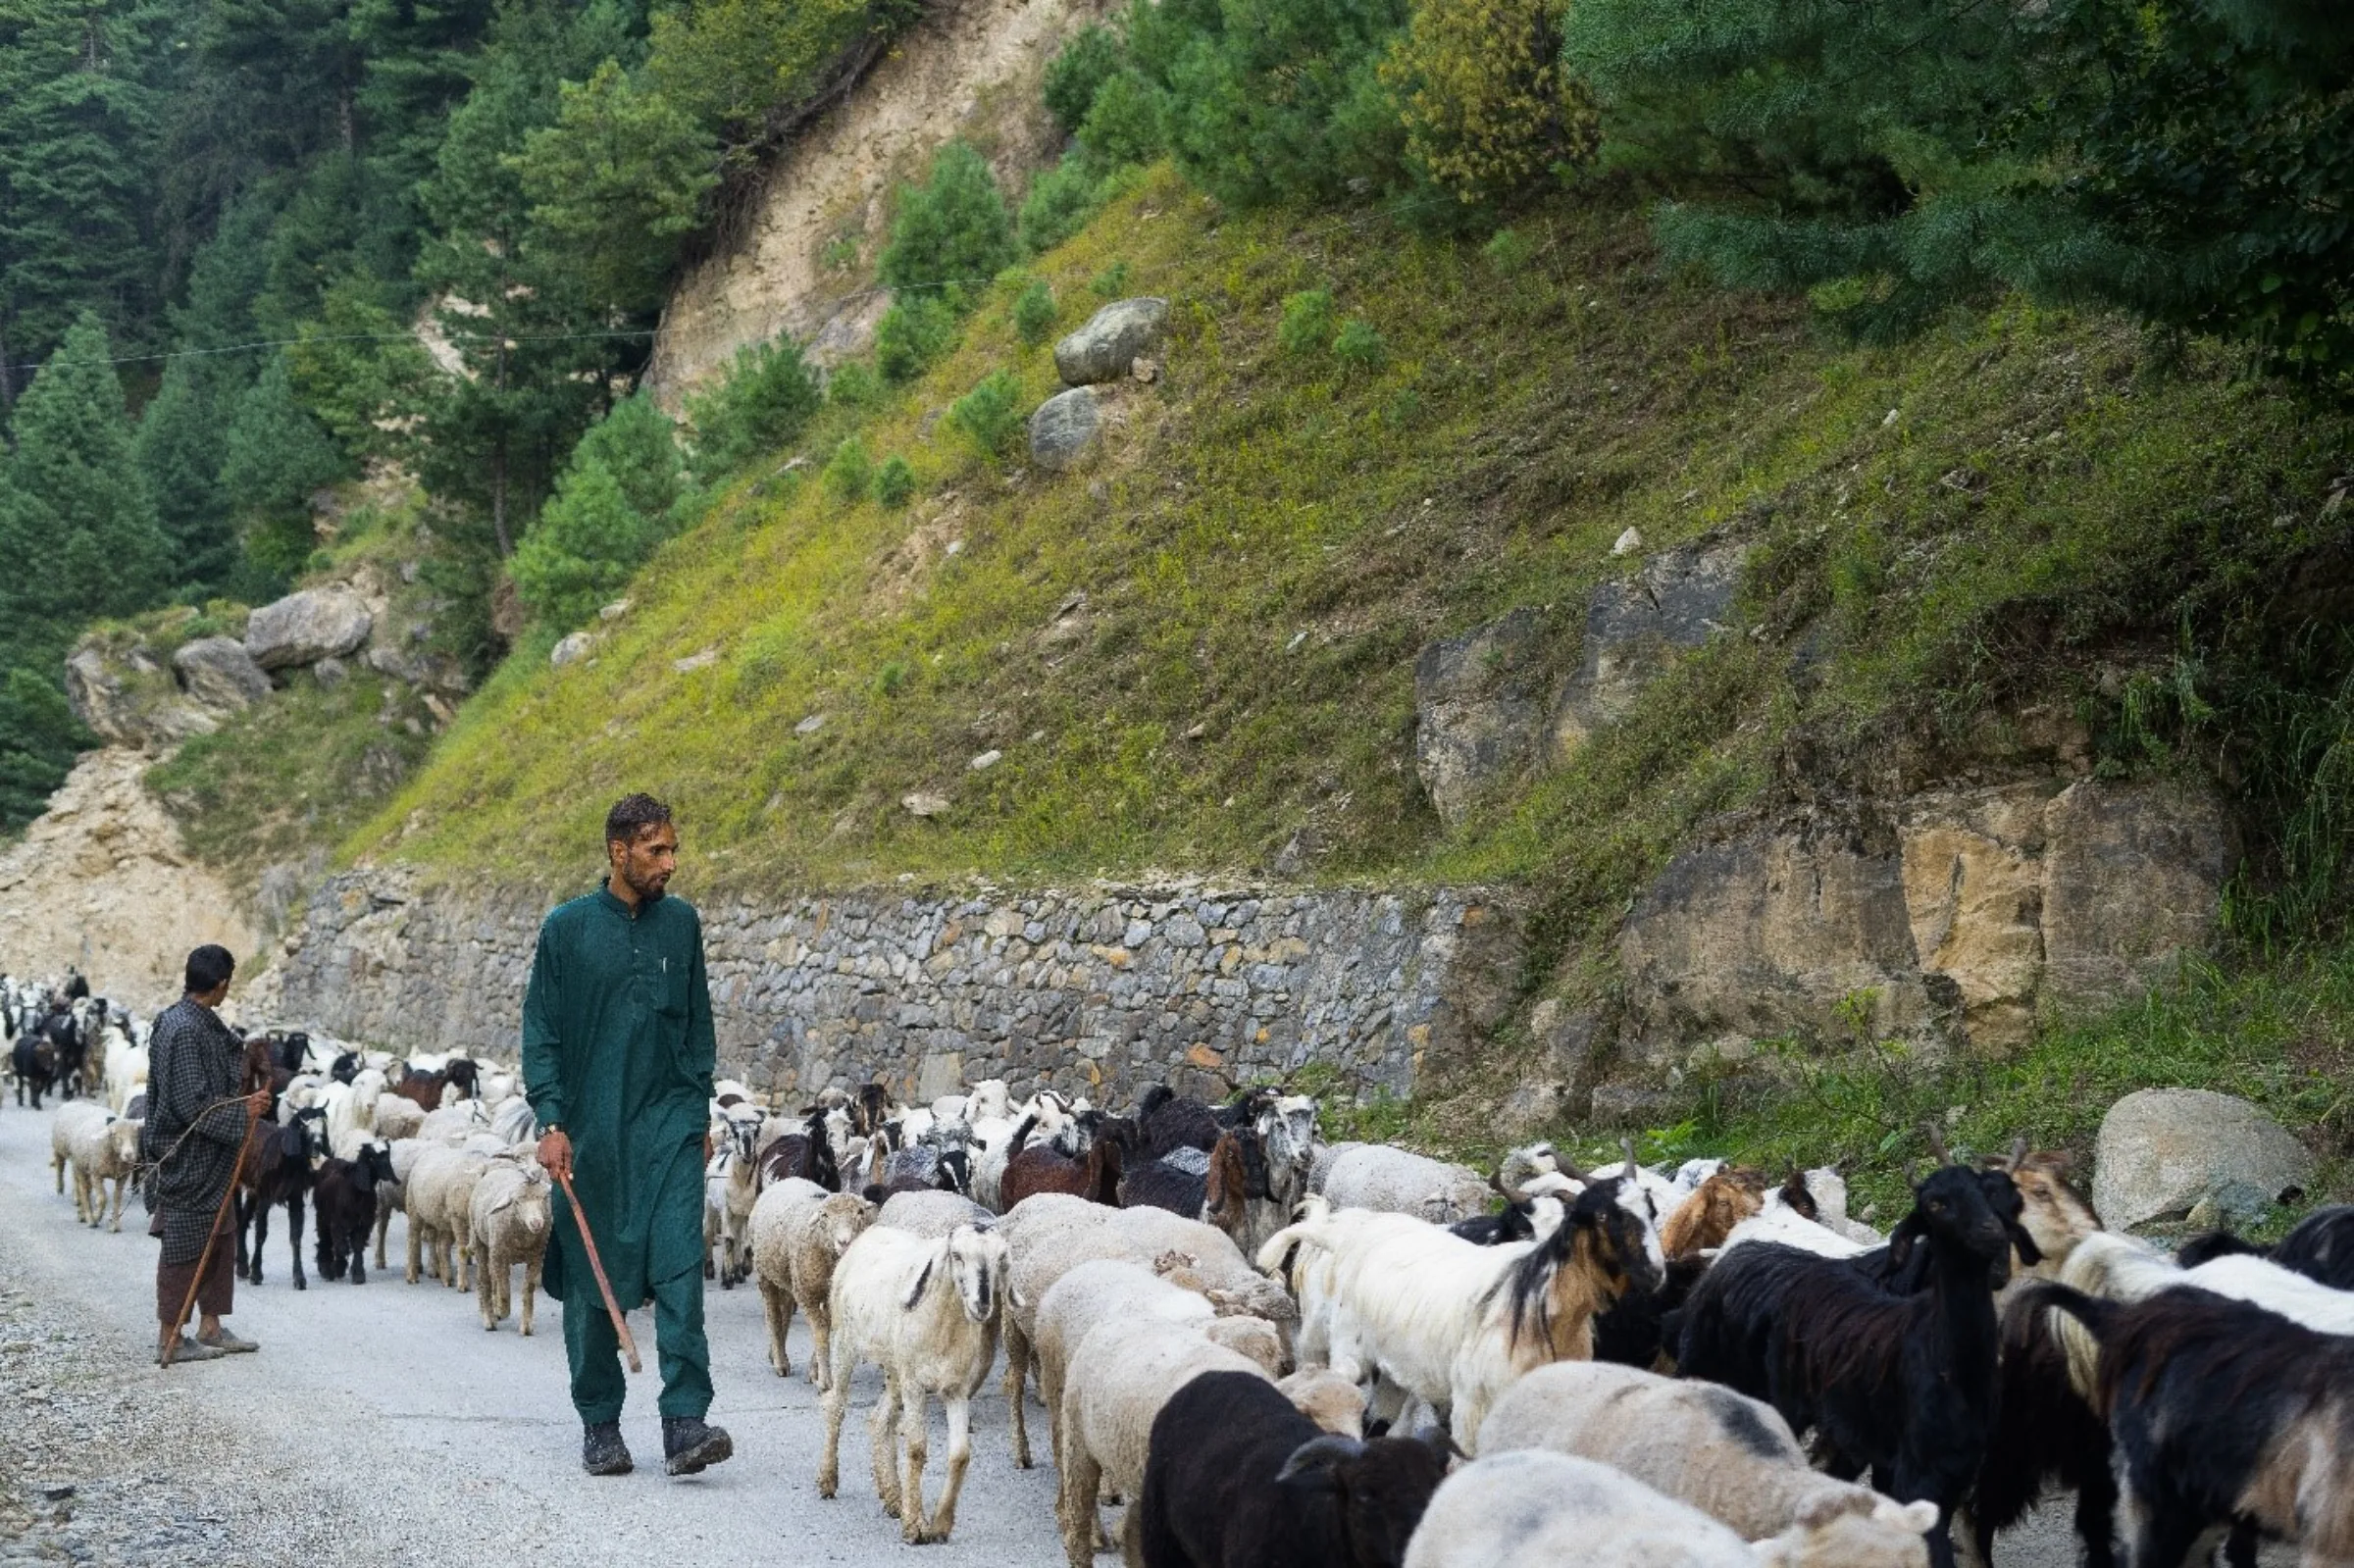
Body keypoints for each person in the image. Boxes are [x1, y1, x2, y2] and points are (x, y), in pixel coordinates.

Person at [524, 792, 733, 1478]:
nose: (670, 862)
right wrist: (552, 1120)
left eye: (673, 849)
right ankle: (600, 1423)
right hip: (593, 1134)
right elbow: (543, 1031)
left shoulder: (682, 925)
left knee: (680, 1271)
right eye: (657, 851)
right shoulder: (567, 930)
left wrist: (699, 1112)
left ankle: (685, 1420)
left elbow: (697, 1023)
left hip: (669, 1126)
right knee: (591, 1277)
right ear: (620, 851)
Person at [142, 944, 269, 1365]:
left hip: (211, 1153)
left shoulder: (191, 1021)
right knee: (184, 1242)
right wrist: (243, 1110)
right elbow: (189, 1103)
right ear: (221, 984)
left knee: (223, 1233)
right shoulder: (183, 1029)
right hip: (188, 1154)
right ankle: (170, 1337)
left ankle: (210, 1326)